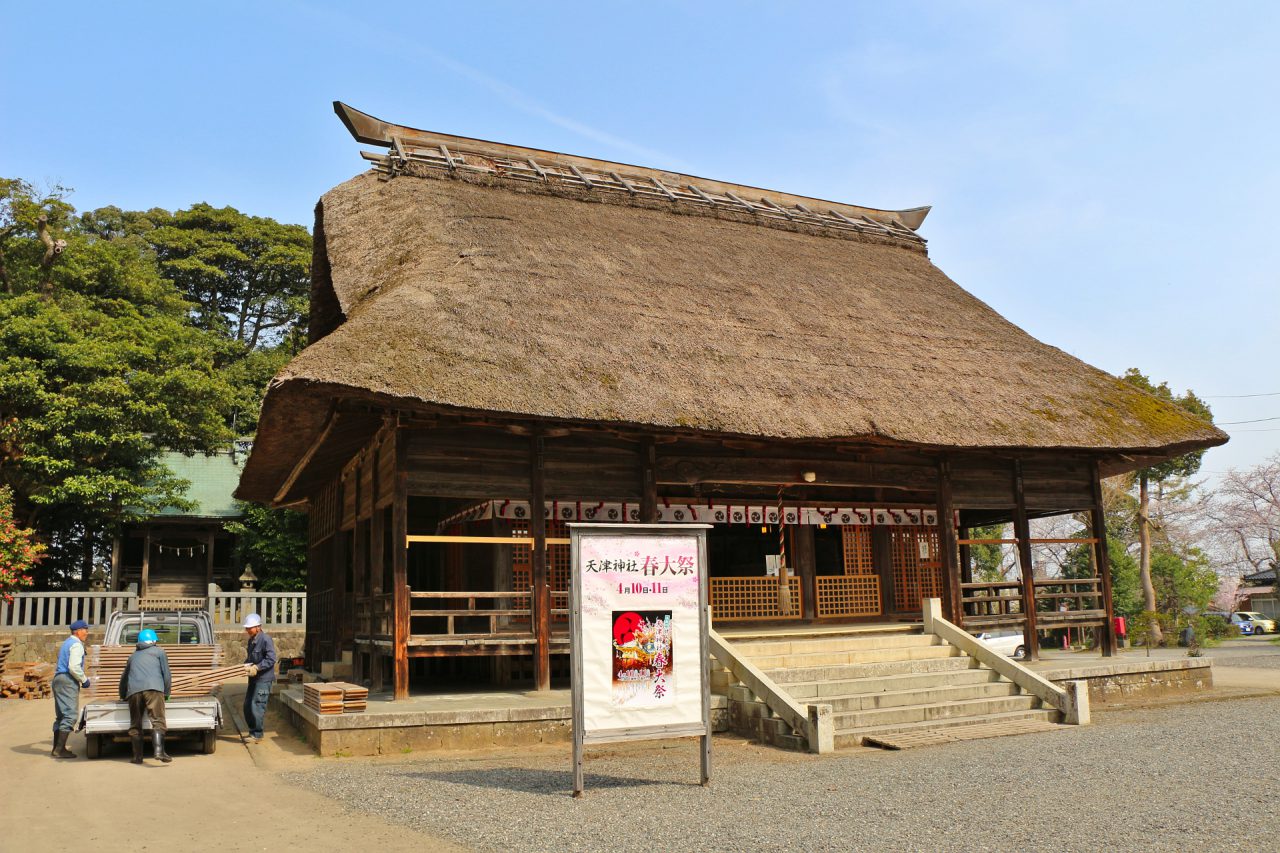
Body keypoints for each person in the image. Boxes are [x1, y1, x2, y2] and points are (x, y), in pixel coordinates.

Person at [118, 627, 172, 764]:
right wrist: (166, 693)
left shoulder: (132, 657)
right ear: (153, 641)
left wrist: (123, 695)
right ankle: (159, 751)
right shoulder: (159, 652)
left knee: (135, 724)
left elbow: (124, 679)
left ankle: (137, 757)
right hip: (153, 689)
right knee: (158, 720)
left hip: (134, 692)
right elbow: (166, 675)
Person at [51, 619, 92, 759]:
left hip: (58, 679)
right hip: (68, 680)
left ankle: (56, 748)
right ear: (78, 631)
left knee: (61, 716)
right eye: (85, 630)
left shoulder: (67, 643)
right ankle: (60, 749)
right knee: (70, 715)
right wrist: (84, 680)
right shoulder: (76, 645)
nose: (87, 632)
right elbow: (74, 667)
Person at [241, 613, 277, 742]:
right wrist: (245, 666)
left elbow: (272, 659)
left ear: (258, 627)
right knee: (247, 706)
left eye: (250, 627)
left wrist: (257, 667)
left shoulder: (266, 639)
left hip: (264, 679)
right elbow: (250, 658)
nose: (247, 630)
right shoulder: (251, 640)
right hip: (254, 679)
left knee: (256, 705)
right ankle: (252, 731)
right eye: (247, 628)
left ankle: (257, 734)